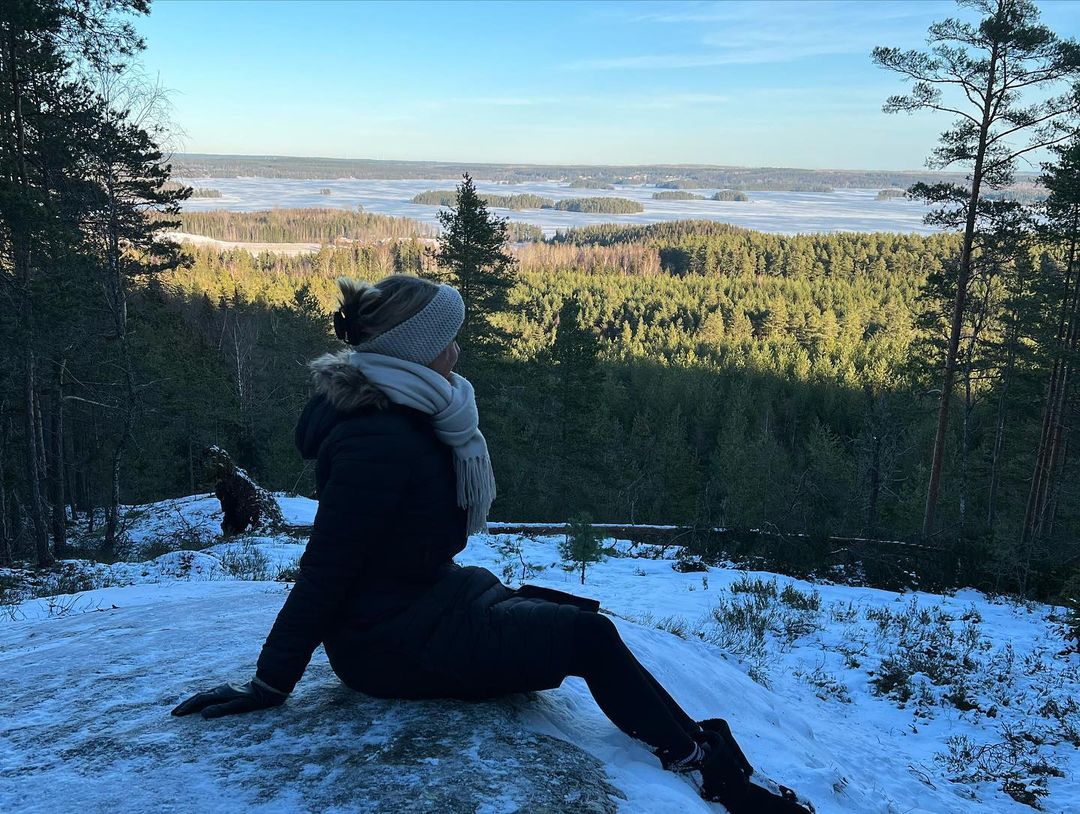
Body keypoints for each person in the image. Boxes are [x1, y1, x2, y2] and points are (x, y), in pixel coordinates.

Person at [172, 275, 813, 813]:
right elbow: (326, 569)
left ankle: (701, 751)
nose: (457, 351)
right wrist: (268, 683)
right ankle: (713, 774)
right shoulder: (379, 438)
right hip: (390, 644)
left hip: (422, 603)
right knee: (588, 639)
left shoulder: (410, 410)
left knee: (577, 617)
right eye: (447, 339)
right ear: (414, 351)